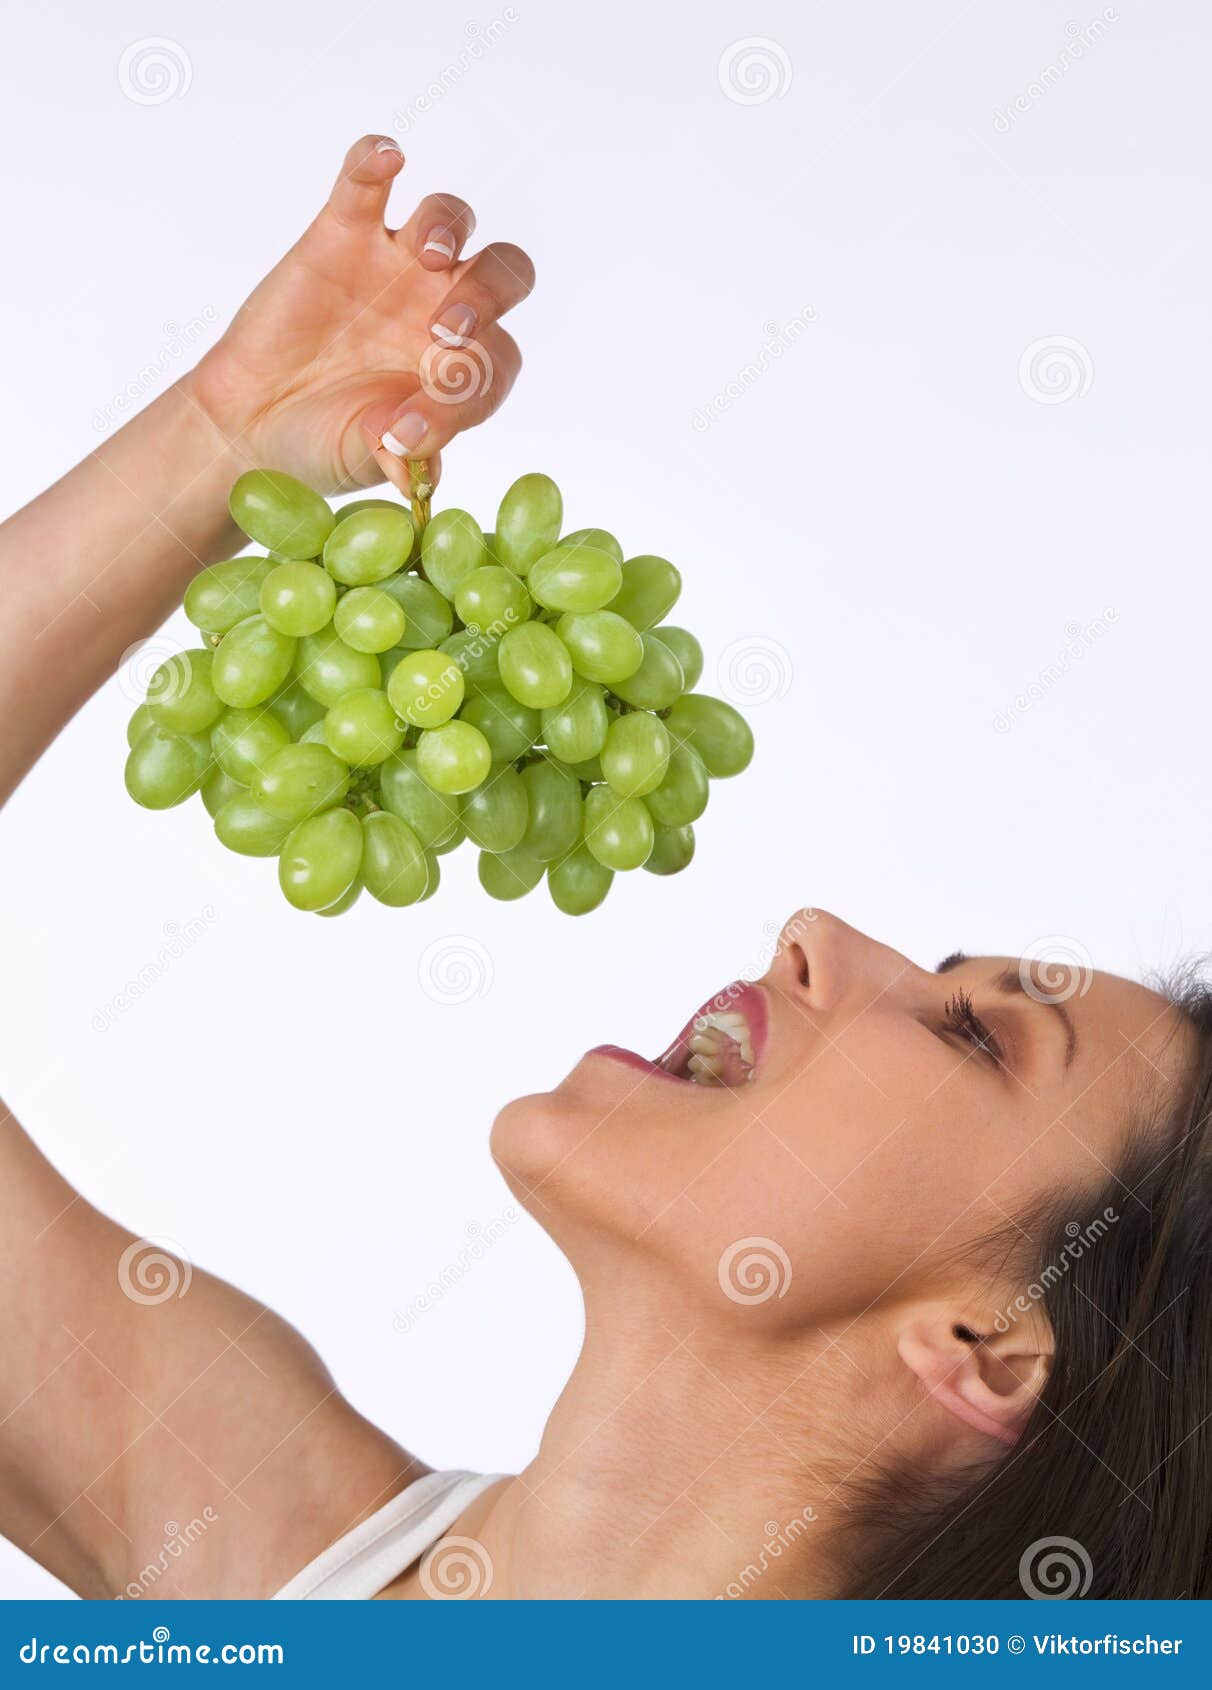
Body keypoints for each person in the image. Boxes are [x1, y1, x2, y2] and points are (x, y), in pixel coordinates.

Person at [2, 140, 1209, 1603]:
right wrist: (220, 438)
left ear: (984, 1345)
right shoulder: (281, 1555)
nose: (818, 932)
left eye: (975, 1034)